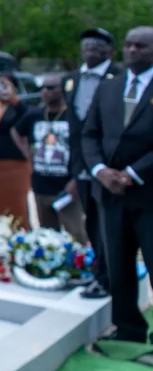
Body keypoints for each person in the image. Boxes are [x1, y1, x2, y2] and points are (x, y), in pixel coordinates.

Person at [82, 26, 153, 345]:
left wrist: (132, 174)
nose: (133, 50)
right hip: (109, 193)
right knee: (118, 265)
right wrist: (100, 170)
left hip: (147, 192)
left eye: (141, 46)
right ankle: (128, 330)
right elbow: (89, 134)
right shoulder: (108, 88)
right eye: (129, 45)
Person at [64, 27, 122, 299]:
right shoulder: (71, 79)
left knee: (106, 224)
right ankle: (98, 272)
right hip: (80, 163)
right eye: (86, 45)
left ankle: (110, 278)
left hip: (109, 165)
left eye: (97, 46)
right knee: (90, 222)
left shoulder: (120, 78)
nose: (90, 50)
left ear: (109, 51)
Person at [12, 74, 88, 243]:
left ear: (62, 90)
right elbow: (16, 132)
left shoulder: (73, 116)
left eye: (51, 87)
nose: (45, 91)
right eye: (43, 88)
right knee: (47, 237)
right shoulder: (35, 114)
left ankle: (80, 267)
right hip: (41, 185)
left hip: (66, 187)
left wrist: (76, 180)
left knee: (76, 235)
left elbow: (84, 148)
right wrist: (28, 155)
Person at [0, 73, 32, 226]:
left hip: (14, 162)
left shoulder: (21, 108)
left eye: (6, 86)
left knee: (16, 203)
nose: (2, 90)